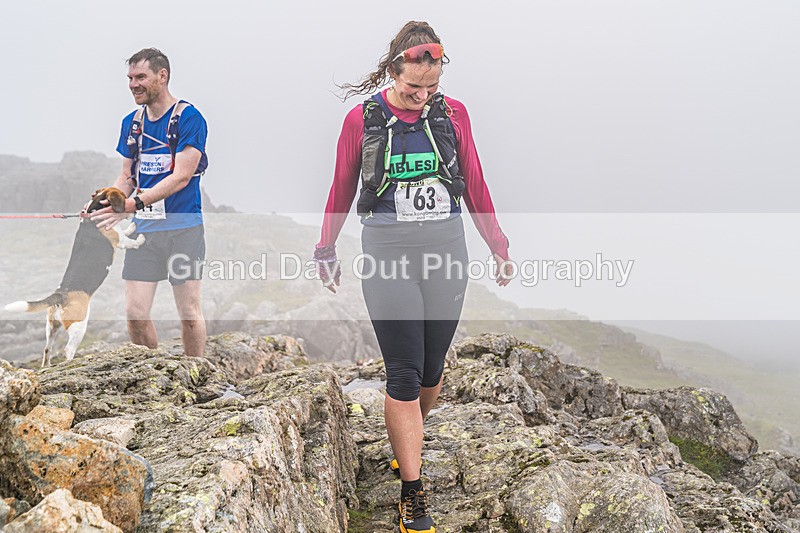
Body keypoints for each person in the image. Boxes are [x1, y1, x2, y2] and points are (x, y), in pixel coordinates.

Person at [314, 22, 511, 533]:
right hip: (387, 253)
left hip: (446, 251)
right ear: (393, 71)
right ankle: (412, 492)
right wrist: (325, 247)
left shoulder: (453, 114)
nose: (422, 96)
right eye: (412, 88)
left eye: (432, 86)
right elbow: (341, 186)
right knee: (403, 372)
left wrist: (498, 244)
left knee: (431, 369)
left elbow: (475, 181)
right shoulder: (362, 119)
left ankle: (409, 441)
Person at [91, 48, 209, 357]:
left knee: (189, 313)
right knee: (135, 314)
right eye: (130, 78)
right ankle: (154, 372)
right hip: (144, 232)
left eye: (140, 77)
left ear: (162, 76)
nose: (133, 85)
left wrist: (134, 204)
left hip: (184, 229)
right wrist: (104, 203)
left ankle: (196, 373)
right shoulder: (132, 123)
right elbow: (127, 178)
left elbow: (181, 177)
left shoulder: (189, 118)